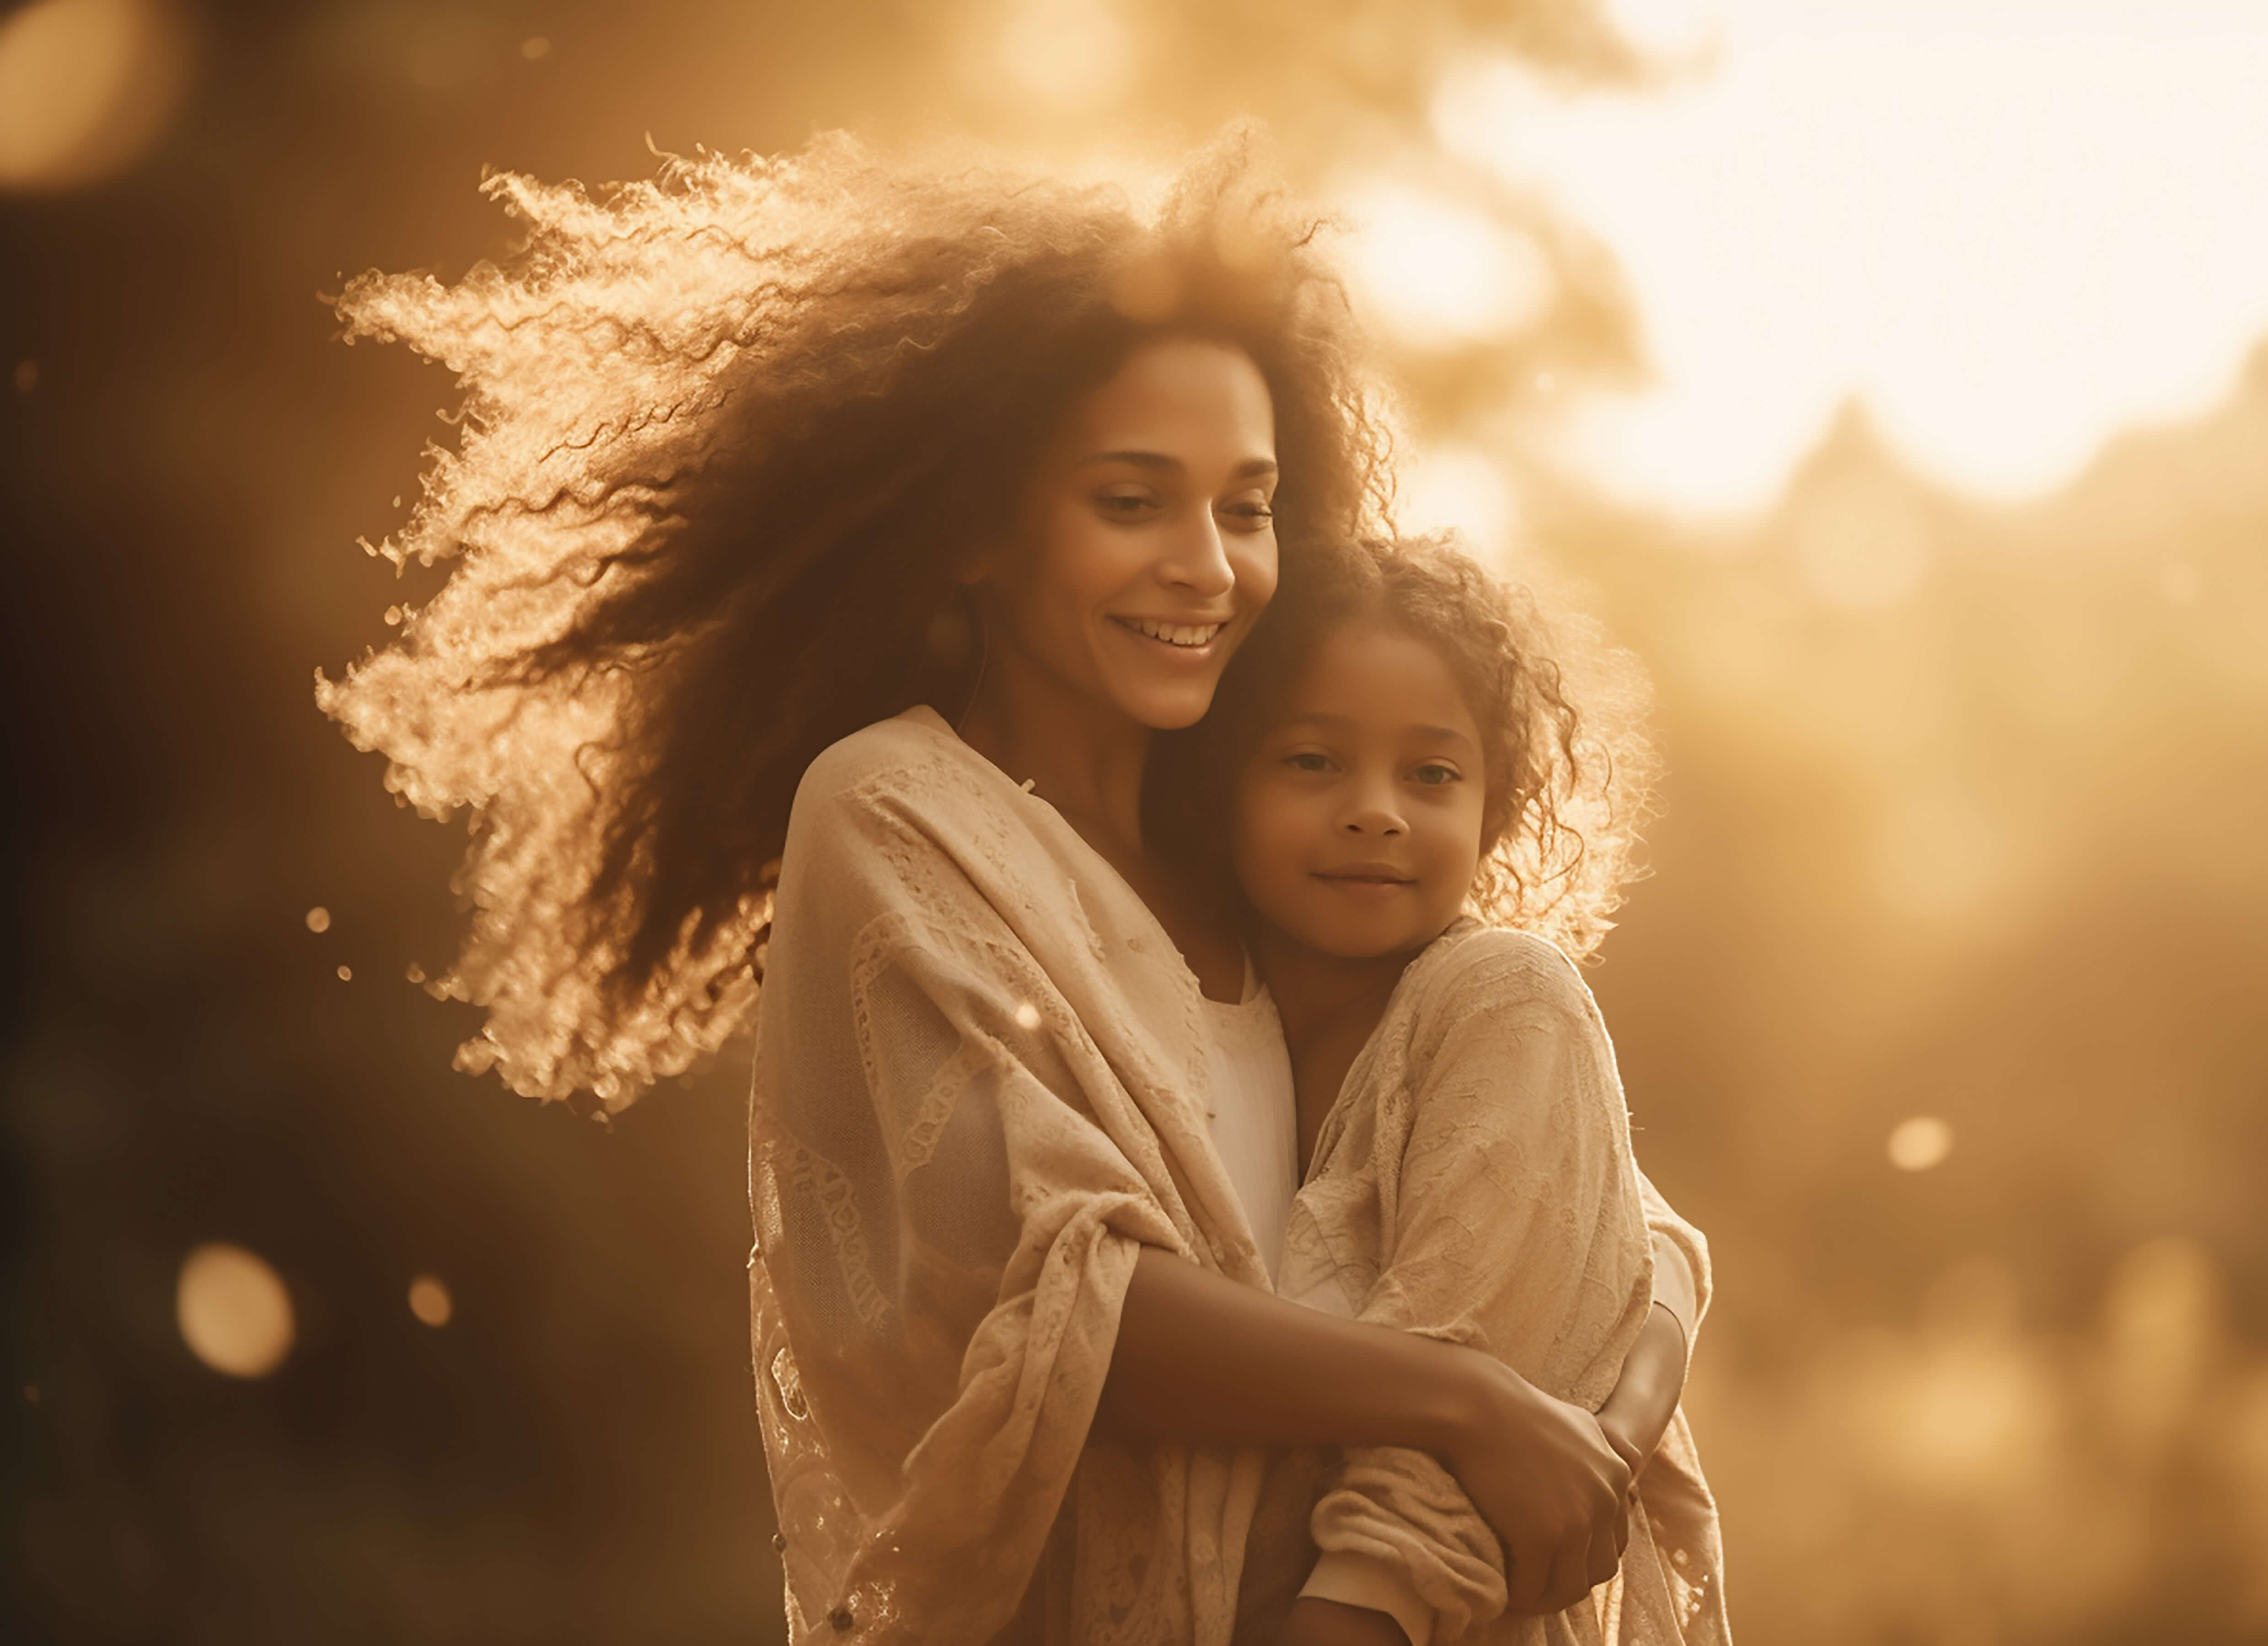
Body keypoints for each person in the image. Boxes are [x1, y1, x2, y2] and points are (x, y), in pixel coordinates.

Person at [320, 134, 1701, 1642]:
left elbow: (1595, 1235)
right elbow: (1054, 1318)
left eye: (1244, 507)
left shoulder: (1259, 855)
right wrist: (1465, 1403)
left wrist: (1590, 1430)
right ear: (981, 529)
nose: (1207, 564)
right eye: (1131, 502)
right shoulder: (897, 816)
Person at [1157, 535, 1726, 1646]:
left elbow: (1452, 1411)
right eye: (1314, 761)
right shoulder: (1200, 1022)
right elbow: (1658, 1241)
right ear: (1222, 785)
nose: (1378, 811)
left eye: (1431, 774)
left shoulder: (1503, 1000)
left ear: (1495, 808)